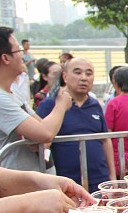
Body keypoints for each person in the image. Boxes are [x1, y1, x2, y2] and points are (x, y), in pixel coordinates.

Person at [0, 27, 72, 174]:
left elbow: (42, 130)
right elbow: (46, 132)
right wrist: (62, 104)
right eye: (18, 50)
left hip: (34, 179)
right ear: (5, 58)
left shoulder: (11, 93)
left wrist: (39, 138)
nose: (23, 56)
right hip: (18, 183)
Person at [37, 58, 116, 192]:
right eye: (77, 72)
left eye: (88, 73)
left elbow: (105, 140)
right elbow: (39, 140)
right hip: (65, 183)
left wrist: (112, 176)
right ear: (65, 76)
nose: (84, 78)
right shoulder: (50, 104)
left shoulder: (95, 105)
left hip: (99, 180)